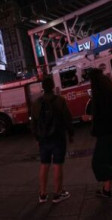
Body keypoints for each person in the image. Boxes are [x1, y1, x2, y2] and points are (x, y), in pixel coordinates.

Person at [31, 76, 74, 204]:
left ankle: (43, 194)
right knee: (57, 165)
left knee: (44, 165)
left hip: (44, 139)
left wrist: (37, 138)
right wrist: (70, 133)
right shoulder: (60, 100)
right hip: (58, 137)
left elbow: (33, 123)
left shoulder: (36, 103)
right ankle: (57, 193)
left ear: (42, 87)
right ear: (53, 85)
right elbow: (67, 118)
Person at [88, 68, 112, 198]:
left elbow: (99, 116)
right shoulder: (109, 89)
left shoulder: (98, 95)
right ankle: (107, 188)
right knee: (109, 158)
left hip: (104, 131)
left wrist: (89, 118)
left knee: (98, 162)